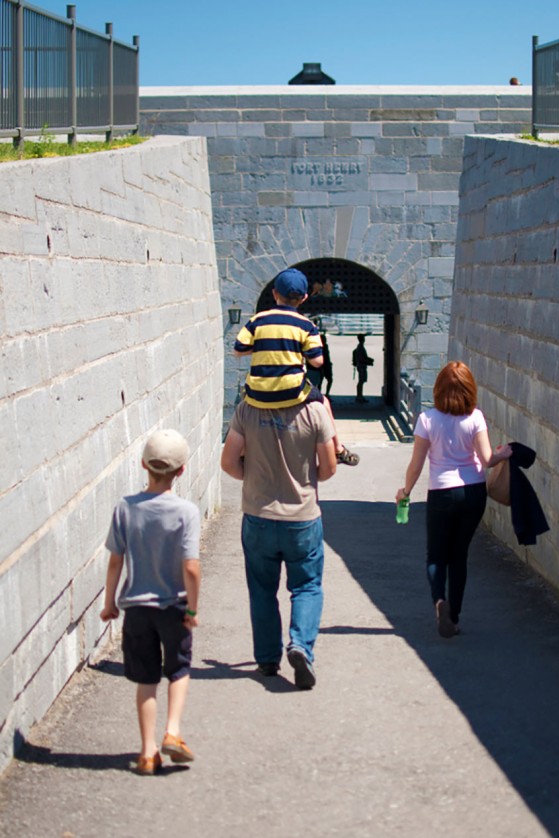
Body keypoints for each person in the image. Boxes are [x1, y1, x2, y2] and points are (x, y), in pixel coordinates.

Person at [100, 429, 201, 775]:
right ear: (182, 471)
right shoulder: (186, 512)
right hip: (174, 606)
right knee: (179, 669)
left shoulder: (124, 509)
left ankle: (147, 752)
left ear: (143, 465)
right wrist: (192, 608)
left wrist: (109, 602)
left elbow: (116, 560)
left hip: (137, 610)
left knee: (146, 679)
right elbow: (191, 567)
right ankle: (173, 731)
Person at [221, 397, 337, 689]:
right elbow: (329, 466)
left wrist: (250, 478)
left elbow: (228, 462)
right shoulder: (315, 410)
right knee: (307, 586)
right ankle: (300, 646)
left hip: (258, 516)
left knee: (262, 590)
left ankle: (267, 659)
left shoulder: (247, 408)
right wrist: (308, 480)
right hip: (302, 518)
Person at [395, 362, 512, 639]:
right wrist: (503, 453)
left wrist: (406, 491)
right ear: (470, 388)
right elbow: (487, 460)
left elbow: (416, 464)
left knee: (436, 554)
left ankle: (440, 603)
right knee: (459, 555)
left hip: (441, 493)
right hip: (473, 492)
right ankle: (455, 617)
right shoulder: (476, 418)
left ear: (438, 389)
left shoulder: (427, 419)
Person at [234, 267, 358, 465]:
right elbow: (317, 361)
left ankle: (242, 451)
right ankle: (338, 449)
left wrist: (264, 344)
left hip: (258, 392)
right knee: (324, 402)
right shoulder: (306, 325)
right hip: (292, 391)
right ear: (304, 298)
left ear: (274, 293)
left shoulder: (257, 320)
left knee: (242, 406)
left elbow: (238, 349)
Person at [352, 334, 373, 403]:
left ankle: (359, 396)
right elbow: (361, 358)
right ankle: (359, 396)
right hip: (361, 366)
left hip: (360, 365)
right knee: (361, 381)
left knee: (361, 381)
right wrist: (368, 361)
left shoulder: (360, 347)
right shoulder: (360, 347)